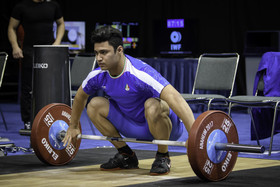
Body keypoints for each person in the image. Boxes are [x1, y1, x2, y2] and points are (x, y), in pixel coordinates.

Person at [62, 26, 195, 175]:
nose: (99, 58)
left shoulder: (139, 72)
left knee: (152, 104)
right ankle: (126, 155)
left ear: (119, 50)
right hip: (132, 125)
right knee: (94, 105)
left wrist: (194, 135)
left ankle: (162, 156)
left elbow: (175, 97)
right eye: (96, 53)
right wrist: (73, 126)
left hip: (166, 127)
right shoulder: (98, 75)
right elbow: (80, 97)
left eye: (104, 52)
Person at [7, 0, 65, 129]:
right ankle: (27, 121)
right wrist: (15, 47)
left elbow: (61, 23)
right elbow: (12, 27)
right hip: (29, 51)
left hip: (49, 51)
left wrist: (57, 42)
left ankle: (50, 118)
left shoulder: (53, 5)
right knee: (28, 88)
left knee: (50, 85)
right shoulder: (21, 6)